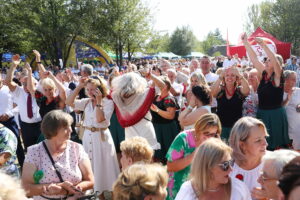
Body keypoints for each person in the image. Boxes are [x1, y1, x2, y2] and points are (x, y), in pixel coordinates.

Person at [65, 75, 119, 199]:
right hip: (88, 137)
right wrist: (79, 86)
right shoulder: (86, 102)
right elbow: (68, 102)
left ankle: (114, 195)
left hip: (102, 138)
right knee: (93, 168)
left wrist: (99, 101)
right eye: (88, 89)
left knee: (106, 168)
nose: (90, 92)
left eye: (93, 89)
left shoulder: (108, 102)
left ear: (100, 89)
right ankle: (100, 196)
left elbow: (100, 119)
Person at [22, 110, 94, 200]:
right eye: (65, 127)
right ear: (52, 130)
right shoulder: (34, 151)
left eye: (70, 126)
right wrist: (55, 187)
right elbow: (26, 188)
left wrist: (71, 190)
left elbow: (90, 181)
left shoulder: (77, 148)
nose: (71, 130)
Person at [242, 33, 290, 150]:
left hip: (275, 115)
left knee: (277, 147)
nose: (266, 61)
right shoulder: (264, 74)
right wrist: (246, 43)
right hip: (262, 113)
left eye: (269, 60)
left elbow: (275, 60)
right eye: (266, 60)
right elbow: (253, 59)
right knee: (263, 146)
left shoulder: (278, 76)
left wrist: (264, 45)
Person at [166, 113, 222, 200]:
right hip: (178, 189)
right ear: (198, 129)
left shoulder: (215, 141)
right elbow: (170, 167)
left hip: (200, 191)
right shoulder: (183, 138)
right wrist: (195, 154)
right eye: (206, 133)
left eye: (213, 134)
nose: (209, 138)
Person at [175, 138, 251, 200]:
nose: (231, 169)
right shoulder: (187, 191)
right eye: (225, 165)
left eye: (231, 162)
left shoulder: (238, 189)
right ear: (208, 167)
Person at [111, 71, 164, 150]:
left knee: (132, 157)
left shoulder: (116, 95)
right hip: (145, 127)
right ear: (139, 82)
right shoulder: (145, 93)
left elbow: (110, 86)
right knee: (147, 156)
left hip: (129, 130)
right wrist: (152, 76)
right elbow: (163, 87)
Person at [6, 60, 42, 150]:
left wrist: (30, 72)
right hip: (26, 127)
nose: (26, 86)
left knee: (42, 150)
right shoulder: (19, 91)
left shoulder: (39, 90)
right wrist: (13, 66)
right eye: (24, 84)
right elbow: (8, 82)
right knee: (29, 150)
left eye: (29, 83)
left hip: (40, 125)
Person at [229, 117, 268, 195]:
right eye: (258, 140)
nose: (265, 143)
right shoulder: (227, 168)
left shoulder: (272, 164)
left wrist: (269, 196)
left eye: (265, 137)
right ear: (242, 145)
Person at [211, 67, 250, 140]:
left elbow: (247, 90)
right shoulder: (220, 90)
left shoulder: (239, 90)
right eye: (227, 75)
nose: (230, 77)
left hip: (237, 128)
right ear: (223, 78)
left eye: (232, 75)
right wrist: (220, 77)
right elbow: (213, 93)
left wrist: (239, 74)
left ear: (236, 78)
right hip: (221, 127)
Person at [150, 76, 180, 163]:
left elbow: (171, 115)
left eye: (158, 83)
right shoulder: (157, 97)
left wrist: (157, 110)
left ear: (165, 86)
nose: (156, 85)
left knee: (170, 154)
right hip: (157, 128)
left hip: (167, 129)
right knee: (158, 155)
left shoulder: (169, 99)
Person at [283, 70, 300, 150]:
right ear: (285, 80)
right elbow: (279, 108)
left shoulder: (298, 91)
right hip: (285, 129)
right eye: (293, 79)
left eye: (295, 79)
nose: (295, 81)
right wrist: (287, 99)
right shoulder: (278, 92)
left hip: (297, 128)